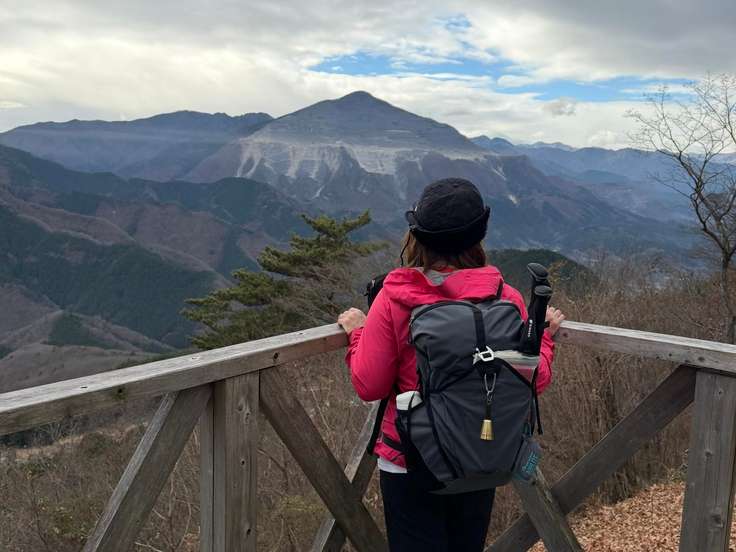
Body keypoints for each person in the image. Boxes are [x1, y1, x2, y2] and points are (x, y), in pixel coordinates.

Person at [338, 178, 565, 551]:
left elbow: (369, 384)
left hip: (410, 457)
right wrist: (544, 338)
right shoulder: (505, 298)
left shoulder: (395, 298)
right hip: (481, 451)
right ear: (480, 234)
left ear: (417, 237)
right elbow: (531, 380)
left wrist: (357, 333)